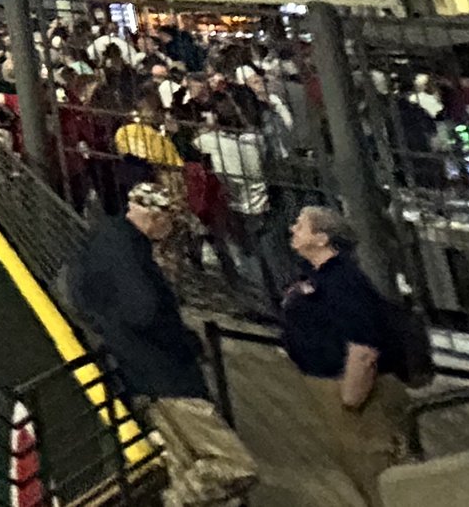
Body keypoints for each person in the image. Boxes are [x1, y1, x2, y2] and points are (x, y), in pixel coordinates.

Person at [66, 183, 255, 506]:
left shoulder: (102, 240)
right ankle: (171, 500)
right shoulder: (128, 248)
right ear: (156, 216)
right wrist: (186, 341)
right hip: (168, 374)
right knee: (235, 465)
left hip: (139, 372)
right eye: (171, 221)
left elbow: (80, 293)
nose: (171, 230)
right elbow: (145, 310)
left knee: (183, 464)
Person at [279, 205, 411, 505]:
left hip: (354, 391)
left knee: (379, 474)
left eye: (301, 225)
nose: (292, 229)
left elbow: (363, 346)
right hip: (330, 384)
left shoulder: (343, 281)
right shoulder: (316, 274)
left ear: (322, 238)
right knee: (360, 471)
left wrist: (351, 395)